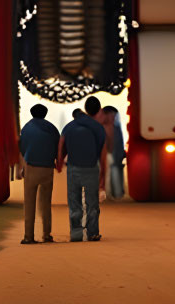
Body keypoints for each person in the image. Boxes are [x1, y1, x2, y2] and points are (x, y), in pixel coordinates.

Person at [57, 95, 106, 242]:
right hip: (91, 168)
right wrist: (102, 177)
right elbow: (102, 155)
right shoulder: (98, 128)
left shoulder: (69, 126)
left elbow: (61, 144)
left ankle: (76, 234)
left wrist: (59, 162)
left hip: (73, 169)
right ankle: (93, 233)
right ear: (98, 111)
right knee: (92, 203)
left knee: (74, 202)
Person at [18, 103, 60, 244]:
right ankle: (46, 235)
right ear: (45, 113)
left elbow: (22, 148)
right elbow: (58, 146)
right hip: (47, 168)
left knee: (29, 203)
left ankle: (28, 236)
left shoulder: (27, 128)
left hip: (32, 168)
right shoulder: (52, 128)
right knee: (46, 203)